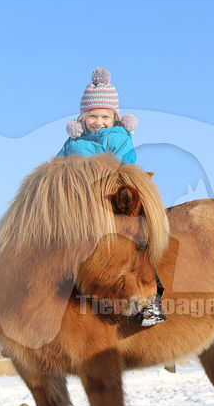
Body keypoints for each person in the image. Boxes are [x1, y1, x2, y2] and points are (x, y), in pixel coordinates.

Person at [57, 67, 166, 327]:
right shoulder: (73, 143)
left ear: (114, 118)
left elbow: (127, 167)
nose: (99, 121)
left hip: (111, 201)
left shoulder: (117, 138)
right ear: (83, 118)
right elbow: (58, 168)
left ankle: (152, 302)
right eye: (92, 116)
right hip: (82, 206)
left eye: (105, 116)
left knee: (140, 240)